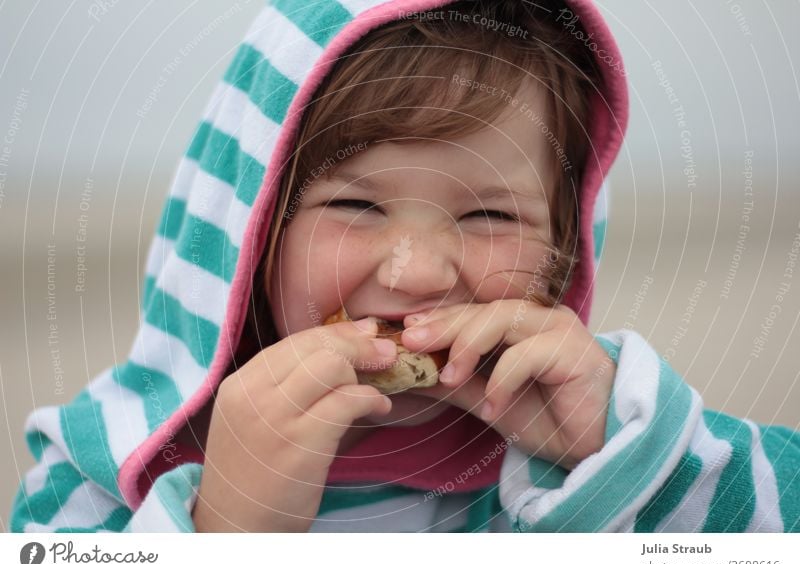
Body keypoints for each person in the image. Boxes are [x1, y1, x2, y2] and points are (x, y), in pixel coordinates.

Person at [10, 0, 799, 533]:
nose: (418, 274)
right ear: (251, 235)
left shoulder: (586, 449)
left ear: (564, 249)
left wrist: (636, 452)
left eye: (490, 216)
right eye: (354, 207)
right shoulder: (95, 478)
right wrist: (227, 532)